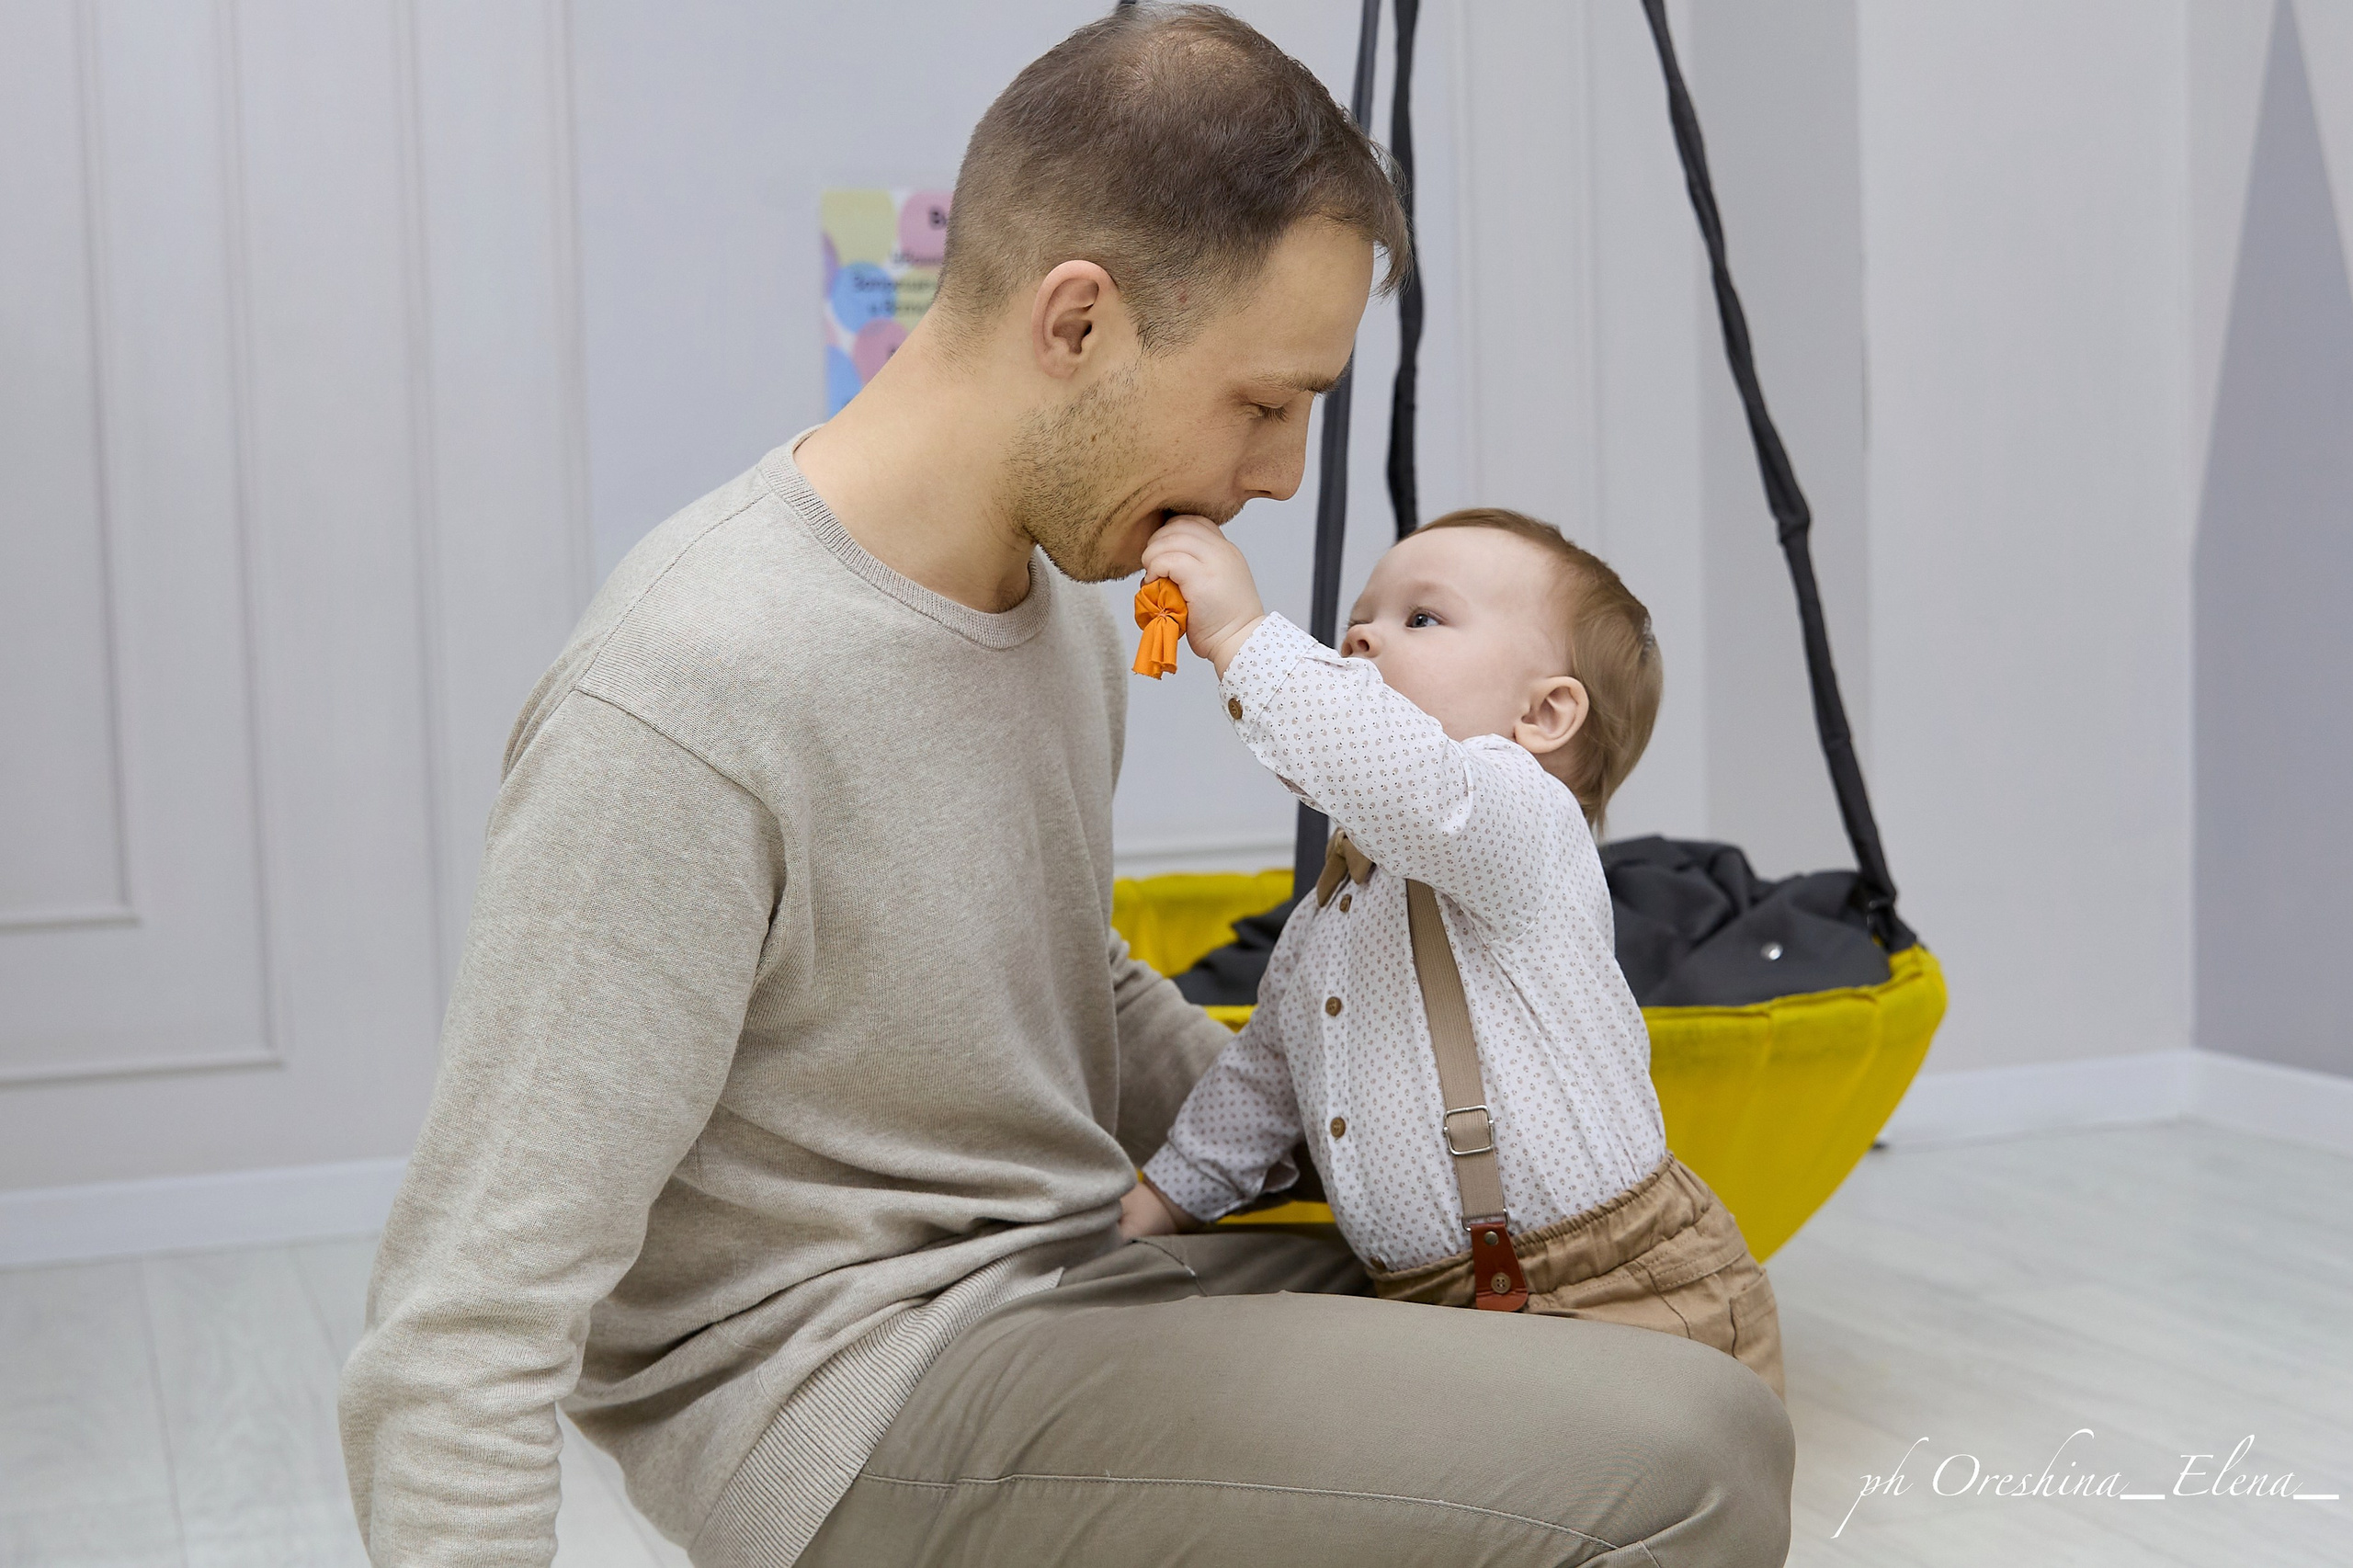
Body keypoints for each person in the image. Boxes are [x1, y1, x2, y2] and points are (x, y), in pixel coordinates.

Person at [336, 6, 1795, 1565]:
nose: (1286, 476)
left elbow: (1061, 989)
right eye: (1264, 402)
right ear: (1079, 323)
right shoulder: (695, 685)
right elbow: (461, 1324)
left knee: (1657, 1362)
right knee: (1688, 1459)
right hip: (865, 1390)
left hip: (1072, 1274)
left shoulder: (1059, 624)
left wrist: (1368, 1106)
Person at [1122, 508, 1786, 1401]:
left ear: (1543, 714)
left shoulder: (1518, 821)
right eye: (1361, 615)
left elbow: (1403, 779)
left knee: (1664, 1504)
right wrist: (1159, 1202)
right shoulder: (1329, 919)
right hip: (1432, 1302)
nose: (1361, 632)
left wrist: (1245, 635)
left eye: (1420, 617)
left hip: (1622, 1286)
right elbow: (1261, 1081)